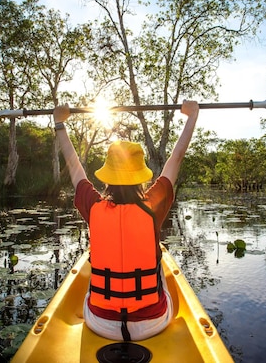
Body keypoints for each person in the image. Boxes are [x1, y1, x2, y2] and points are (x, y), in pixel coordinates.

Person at [53, 100, 199, 341]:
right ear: (140, 176)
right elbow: (177, 157)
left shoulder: (95, 207)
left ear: (108, 177)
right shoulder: (152, 206)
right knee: (158, 261)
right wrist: (192, 116)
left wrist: (59, 123)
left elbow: (74, 167)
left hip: (100, 322)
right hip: (153, 323)